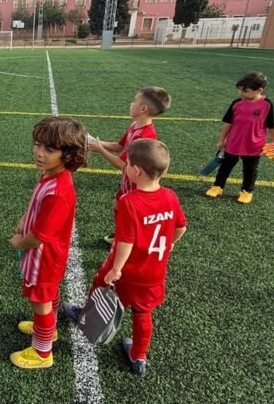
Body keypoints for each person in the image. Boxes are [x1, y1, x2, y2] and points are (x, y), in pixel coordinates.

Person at [64, 139, 187, 376]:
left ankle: (86, 317)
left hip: (129, 271)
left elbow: (125, 242)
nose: (125, 167)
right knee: (143, 313)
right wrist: (170, 243)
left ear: (136, 171)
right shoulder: (170, 196)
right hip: (154, 272)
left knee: (100, 286)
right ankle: (139, 356)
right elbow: (181, 227)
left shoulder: (129, 201)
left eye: (127, 164)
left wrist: (116, 269)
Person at [9, 116, 87, 369]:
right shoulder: (50, 174)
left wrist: (20, 242)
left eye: (49, 150)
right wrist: (24, 218)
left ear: (68, 155)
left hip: (46, 258)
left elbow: (40, 237)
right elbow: (36, 205)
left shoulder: (58, 191)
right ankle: (48, 328)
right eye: (38, 145)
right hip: (46, 256)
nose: (39, 153)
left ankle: (42, 352)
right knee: (47, 295)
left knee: (40, 299)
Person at [87, 87, 170, 243]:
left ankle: (129, 240)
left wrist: (99, 149)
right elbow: (119, 146)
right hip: (128, 178)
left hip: (136, 182)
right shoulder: (134, 125)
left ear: (143, 109)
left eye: (134, 100)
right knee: (117, 204)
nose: (130, 104)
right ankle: (121, 234)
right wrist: (95, 142)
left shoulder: (144, 135)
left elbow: (122, 164)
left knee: (130, 213)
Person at [206, 71, 274, 204]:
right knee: (225, 167)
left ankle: (247, 191)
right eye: (240, 91)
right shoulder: (236, 103)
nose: (241, 94)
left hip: (254, 145)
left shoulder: (267, 105)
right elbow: (228, 123)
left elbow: (272, 125)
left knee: (250, 170)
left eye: (245, 91)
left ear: (259, 90)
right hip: (233, 143)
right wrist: (221, 140)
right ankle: (218, 186)